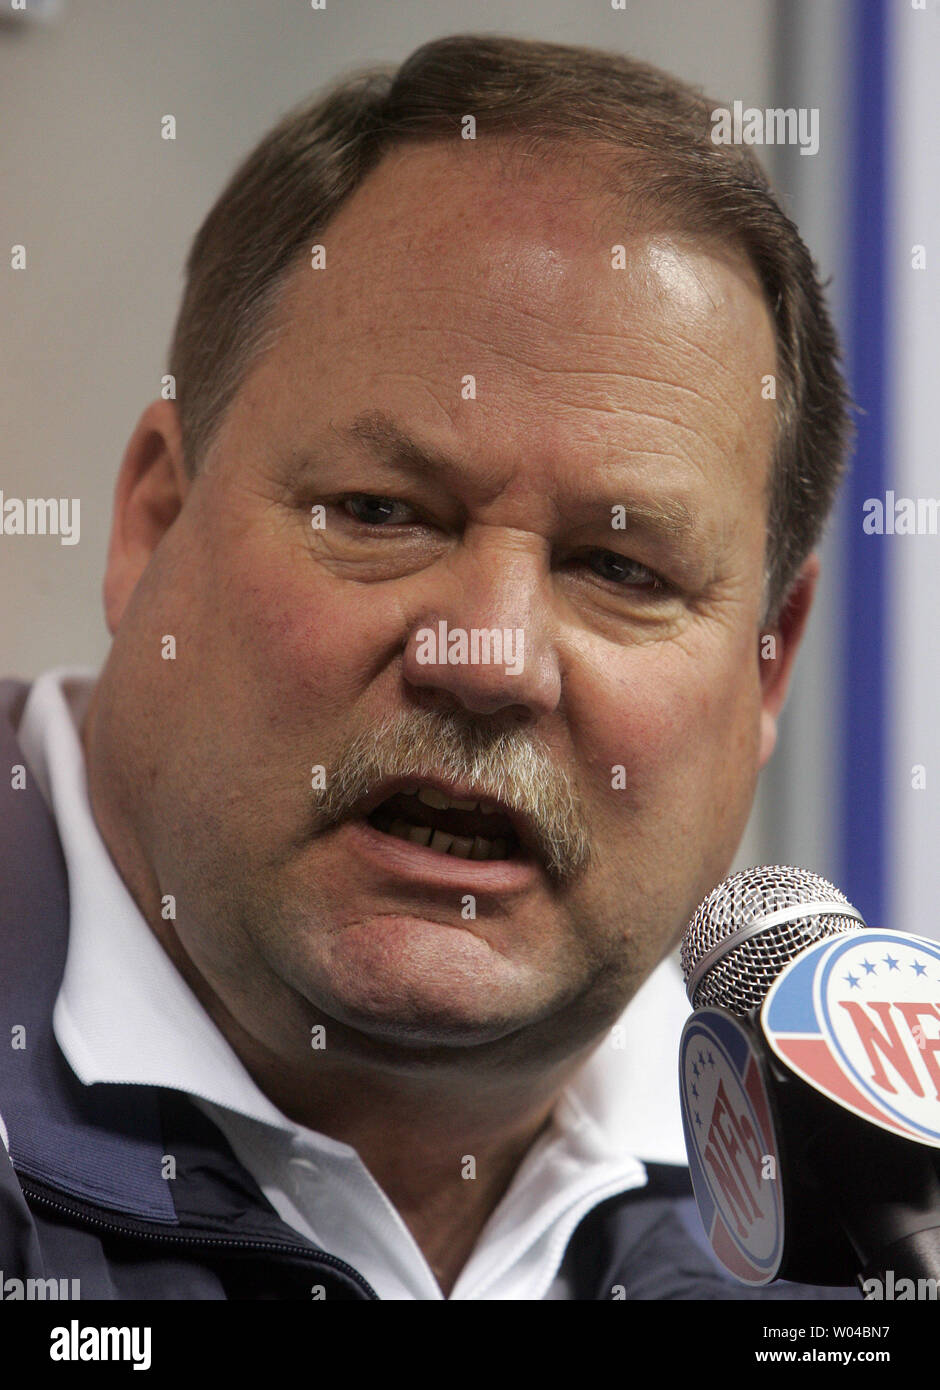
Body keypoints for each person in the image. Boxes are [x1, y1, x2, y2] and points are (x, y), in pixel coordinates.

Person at [0, 33, 856, 1300]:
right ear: (152, 522)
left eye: (619, 572)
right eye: (384, 513)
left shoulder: (854, 1236)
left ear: (767, 666)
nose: (490, 659)